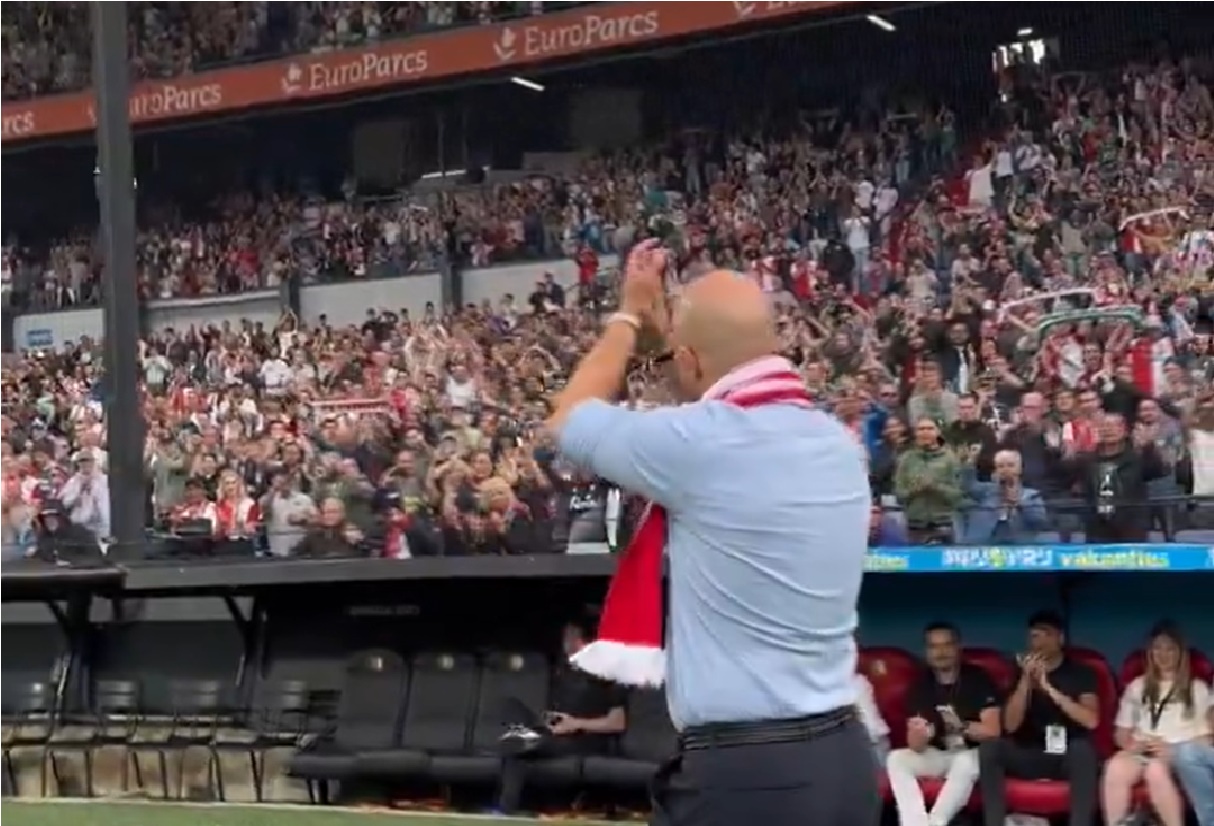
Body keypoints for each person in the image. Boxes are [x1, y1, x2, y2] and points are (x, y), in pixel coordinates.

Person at [550, 241, 877, 826]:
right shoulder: (838, 442)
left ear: (694, 361)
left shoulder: (700, 443)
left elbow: (566, 422)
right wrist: (668, 353)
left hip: (746, 776)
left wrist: (628, 319)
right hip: (844, 758)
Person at [977, 610, 1101, 826]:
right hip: (1027, 753)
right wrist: (1026, 680)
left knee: (1083, 750)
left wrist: (1049, 689)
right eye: (1034, 636)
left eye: (1046, 635)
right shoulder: (1019, 672)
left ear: (1060, 639)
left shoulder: (1081, 672)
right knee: (990, 748)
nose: (1039, 642)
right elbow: (1010, 725)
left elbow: (1091, 720)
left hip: (1065, 755)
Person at [496, 617, 627, 814]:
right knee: (511, 707)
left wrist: (576, 724)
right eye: (566, 636)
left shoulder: (607, 674)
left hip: (583, 740)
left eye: (572, 636)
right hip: (555, 734)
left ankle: (506, 809)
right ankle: (522, 740)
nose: (567, 641)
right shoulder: (564, 670)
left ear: (586, 641)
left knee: (515, 749)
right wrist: (549, 720)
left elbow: (618, 723)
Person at [887, 622, 1001, 826]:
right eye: (934, 647)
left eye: (947, 645)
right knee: (897, 759)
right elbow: (916, 746)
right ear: (927, 652)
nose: (941, 652)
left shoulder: (978, 678)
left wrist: (962, 727)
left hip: (972, 753)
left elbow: (993, 731)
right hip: (939, 754)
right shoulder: (920, 684)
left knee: (966, 761)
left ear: (959, 647)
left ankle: (936, 822)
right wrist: (919, 734)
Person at [1102, 623, 1211, 826]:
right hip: (1143, 749)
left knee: (1155, 769)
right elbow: (1121, 733)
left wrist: (1174, 750)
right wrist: (1131, 745)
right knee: (1115, 767)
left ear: (1181, 653)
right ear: (1149, 653)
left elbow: (1205, 739)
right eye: (1157, 648)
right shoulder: (1137, 686)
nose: (1163, 654)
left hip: (1178, 753)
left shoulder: (1198, 689)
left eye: (1170, 649)